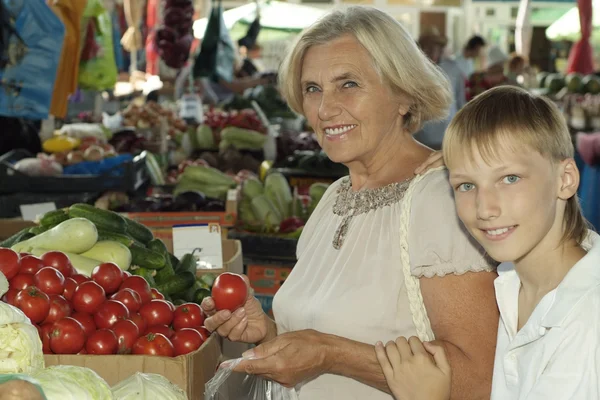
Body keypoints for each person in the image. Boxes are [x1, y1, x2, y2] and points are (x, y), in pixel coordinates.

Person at [202, 6, 499, 400]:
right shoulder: (337, 197)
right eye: (312, 89)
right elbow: (318, 344)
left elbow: (479, 379)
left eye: (348, 84)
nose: (324, 109)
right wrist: (270, 333)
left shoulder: (439, 201)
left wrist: (331, 354)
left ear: (403, 95)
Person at [376, 85, 599, 400]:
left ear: (565, 179)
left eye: (510, 179)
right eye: (466, 185)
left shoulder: (586, 323)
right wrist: (472, 164)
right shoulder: (515, 280)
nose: (485, 208)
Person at [415, 26, 466, 150]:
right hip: (420, 133)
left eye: (435, 48)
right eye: (427, 48)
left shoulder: (453, 69)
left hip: (447, 132)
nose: (432, 52)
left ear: (440, 50)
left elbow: (461, 101)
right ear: (420, 49)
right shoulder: (414, 70)